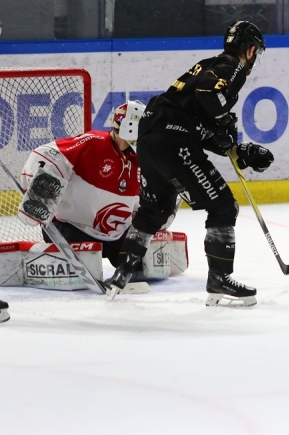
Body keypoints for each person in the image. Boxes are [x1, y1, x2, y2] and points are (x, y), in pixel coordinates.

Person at [105, 20, 275, 306]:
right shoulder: (231, 66)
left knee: (154, 209)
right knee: (223, 205)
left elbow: (195, 121)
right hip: (173, 140)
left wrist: (235, 147)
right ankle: (219, 279)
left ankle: (122, 274)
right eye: (255, 52)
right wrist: (223, 121)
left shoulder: (207, 63)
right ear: (250, 49)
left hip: (151, 139)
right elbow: (208, 96)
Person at [18, 101, 143, 267]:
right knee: (85, 268)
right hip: (72, 229)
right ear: (130, 128)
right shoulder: (94, 142)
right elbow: (44, 154)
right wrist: (39, 196)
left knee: (143, 267)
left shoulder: (140, 159)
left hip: (116, 236)